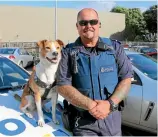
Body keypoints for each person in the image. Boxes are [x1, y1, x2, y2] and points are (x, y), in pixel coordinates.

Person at [56, 8, 133, 136]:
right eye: (83, 23)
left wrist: (110, 104)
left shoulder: (114, 48)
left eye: (93, 22)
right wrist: (90, 105)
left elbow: (126, 78)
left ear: (99, 24)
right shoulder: (68, 52)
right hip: (83, 124)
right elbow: (62, 86)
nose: (88, 26)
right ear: (77, 26)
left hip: (112, 121)